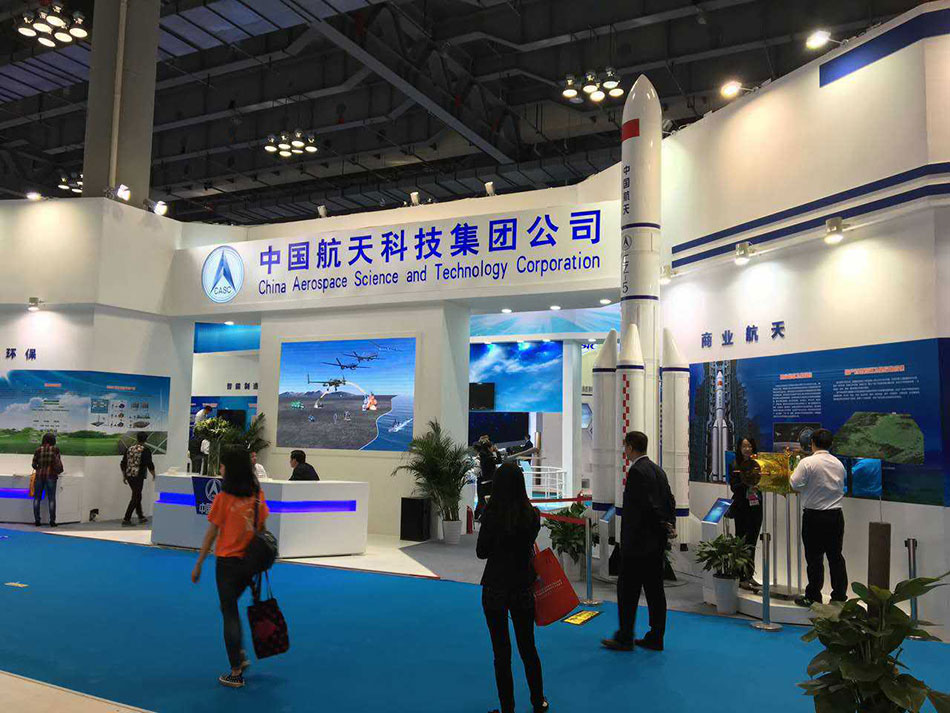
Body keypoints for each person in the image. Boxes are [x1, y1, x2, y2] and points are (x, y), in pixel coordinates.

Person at [191, 448, 269, 688]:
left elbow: (212, 533)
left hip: (227, 564)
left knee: (229, 613)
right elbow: (262, 529)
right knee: (230, 608)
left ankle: (236, 670)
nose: (220, 469)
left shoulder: (223, 498)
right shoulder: (257, 496)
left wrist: (199, 563)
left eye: (223, 465)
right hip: (250, 563)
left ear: (231, 469)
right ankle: (240, 655)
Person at [476, 462, 548, 713]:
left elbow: (481, 552)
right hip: (522, 588)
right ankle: (538, 700)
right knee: (528, 647)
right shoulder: (532, 516)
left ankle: (507, 708)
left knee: (501, 652)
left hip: (495, 588)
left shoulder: (491, 515)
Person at [602, 431, 675, 652]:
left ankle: (625, 637)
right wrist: (668, 525)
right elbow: (669, 500)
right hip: (656, 544)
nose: (624, 450)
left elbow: (644, 508)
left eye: (625, 446)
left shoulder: (636, 472)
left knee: (627, 591)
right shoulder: (658, 470)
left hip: (637, 545)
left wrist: (657, 525)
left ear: (631, 447)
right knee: (655, 591)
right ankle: (656, 636)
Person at [790, 428, 848, 607]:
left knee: (814, 558)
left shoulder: (807, 463)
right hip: (835, 516)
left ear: (812, 443)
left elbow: (794, 483)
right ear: (831, 444)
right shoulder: (838, 464)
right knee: (835, 557)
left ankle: (814, 596)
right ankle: (839, 596)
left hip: (814, 517)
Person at [728, 437, 763, 590]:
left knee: (752, 542)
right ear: (739, 448)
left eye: (749, 446)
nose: (747, 449)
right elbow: (733, 487)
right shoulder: (734, 464)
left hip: (756, 506)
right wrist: (747, 482)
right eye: (744, 446)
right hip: (742, 506)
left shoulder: (759, 464)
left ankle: (749, 575)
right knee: (741, 541)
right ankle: (740, 576)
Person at [121, 432, 156, 526]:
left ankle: (141, 516)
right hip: (138, 476)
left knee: (137, 495)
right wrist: (153, 474)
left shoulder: (129, 449)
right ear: (146, 439)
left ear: (137, 438)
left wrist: (124, 475)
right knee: (136, 497)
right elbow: (149, 464)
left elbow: (123, 463)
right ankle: (126, 519)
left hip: (129, 475)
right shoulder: (145, 450)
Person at [31, 432, 64, 527]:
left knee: (37, 498)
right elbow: (58, 463)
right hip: (51, 476)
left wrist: (39, 468)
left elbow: (34, 464)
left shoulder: (38, 450)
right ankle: (52, 521)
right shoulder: (55, 449)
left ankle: (37, 520)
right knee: (51, 499)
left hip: (39, 476)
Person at [473, 435, 501, 521]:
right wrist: (497, 452)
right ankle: (481, 516)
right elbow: (498, 461)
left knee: (482, 500)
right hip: (487, 481)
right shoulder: (486, 457)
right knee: (484, 500)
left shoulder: (483, 456)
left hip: (484, 480)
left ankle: (479, 516)